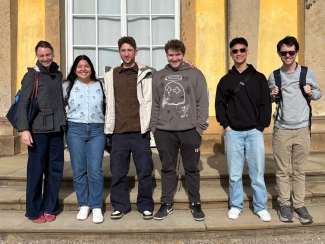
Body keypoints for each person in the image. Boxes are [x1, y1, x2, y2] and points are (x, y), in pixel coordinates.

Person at [150, 39, 209, 221]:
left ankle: (195, 203)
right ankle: (166, 203)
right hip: (164, 131)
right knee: (167, 168)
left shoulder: (195, 74)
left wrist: (199, 128)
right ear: (166, 55)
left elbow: (203, 102)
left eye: (177, 54)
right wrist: (154, 127)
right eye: (171, 55)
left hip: (190, 130)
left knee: (191, 168)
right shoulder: (158, 76)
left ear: (183, 54)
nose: (174, 58)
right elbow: (155, 103)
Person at [215, 37, 272, 222]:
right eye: (235, 51)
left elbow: (266, 103)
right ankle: (236, 205)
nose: (238, 53)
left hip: (254, 132)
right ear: (231, 53)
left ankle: (260, 206)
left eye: (242, 50)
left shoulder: (259, 78)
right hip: (234, 133)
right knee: (234, 174)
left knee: (257, 173)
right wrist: (227, 126)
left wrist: (260, 127)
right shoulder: (225, 81)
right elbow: (219, 105)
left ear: (247, 52)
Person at [268, 36, 322, 224]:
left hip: (301, 129)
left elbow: (318, 94)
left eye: (291, 52)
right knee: (282, 171)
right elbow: (269, 100)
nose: (288, 55)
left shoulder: (307, 73)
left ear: (297, 52)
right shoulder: (274, 76)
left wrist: (311, 92)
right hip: (281, 129)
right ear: (279, 54)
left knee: (299, 171)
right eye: (284, 53)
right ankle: (284, 204)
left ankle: (298, 204)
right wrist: (272, 95)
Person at [103, 36, 155, 220]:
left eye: (129, 50)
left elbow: (163, 83)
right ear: (119, 52)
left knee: (144, 171)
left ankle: (146, 205)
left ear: (135, 51)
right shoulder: (111, 75)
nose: (126, 53)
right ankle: (120, 205)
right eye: (123, 50)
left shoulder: (147, 73)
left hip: (141, 131)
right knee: (118, 172)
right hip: (118, 132)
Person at [17, 41, 66, 223]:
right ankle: (34, 210)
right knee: (36, 171)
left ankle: (50, 207)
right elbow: (23, 104)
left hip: (56, 129)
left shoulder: (58, 74)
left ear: (53, 54)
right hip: (37, 129)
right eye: (42, 55)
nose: (45, 58)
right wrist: (24, 129)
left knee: (55, 170)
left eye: (48, 54)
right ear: (37, 56)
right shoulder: (32, 75)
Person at [63, 55, 106, 224]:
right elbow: (57, 106)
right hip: (75, 130)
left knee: (95, 169)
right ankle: (84, 204)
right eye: (79, 66)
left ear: (91, 68)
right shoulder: (67, 86)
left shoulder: (101, 85)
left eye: (86, 66)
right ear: (75, 69)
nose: (83, 69)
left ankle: (96, 206)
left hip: (97, 130)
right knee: (79, 169)